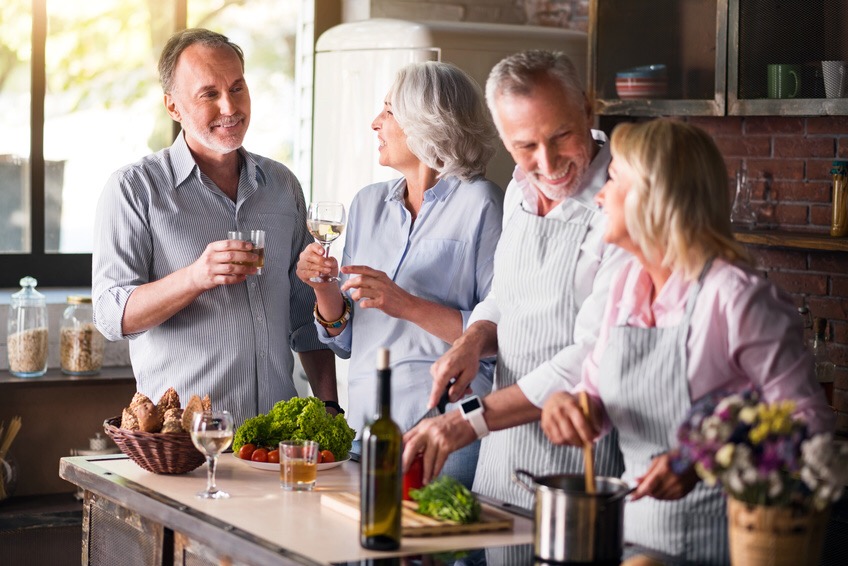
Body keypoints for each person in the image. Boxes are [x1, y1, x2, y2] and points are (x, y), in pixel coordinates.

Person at [540, 119, 836, 565]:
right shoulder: (626, 285)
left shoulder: (736, 297)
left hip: (722, 549)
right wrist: (572, 407)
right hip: (635, 545)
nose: (599, 195)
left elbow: (809, 426)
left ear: (654, 197)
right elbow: (596, 397)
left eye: (614, 179)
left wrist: (700, 461)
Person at [401, 50, 627, 510]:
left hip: (583, 468)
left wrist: (468, 422)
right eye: (525, 147)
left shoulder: (625, 202)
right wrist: (473, 339)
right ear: (504, 141)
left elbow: (593, 355)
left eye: (562, 136)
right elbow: (504, 296)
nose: (548, 163)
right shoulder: (518, 195)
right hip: (501, 462)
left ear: (587, 109)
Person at [92, 28, 337, 428]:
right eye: (209, 94)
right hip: (185, 442)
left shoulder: (282, 185)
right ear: (173, 107)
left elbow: (303, 316)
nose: (230, 106)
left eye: (237, 88)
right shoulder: (134, 189)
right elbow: (110, 315)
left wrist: (330, 409)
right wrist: (195, 277)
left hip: (274, 439)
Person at [296, 61, 503, 487]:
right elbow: (347, 338)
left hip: (446, 435)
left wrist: (404, 303)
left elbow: (497, 338)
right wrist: (324, 289)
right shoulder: (368, 203)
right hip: (367, 429)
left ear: (426, 121)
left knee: (445, 553)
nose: (376, 123)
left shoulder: (482, 204)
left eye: (388, 111)